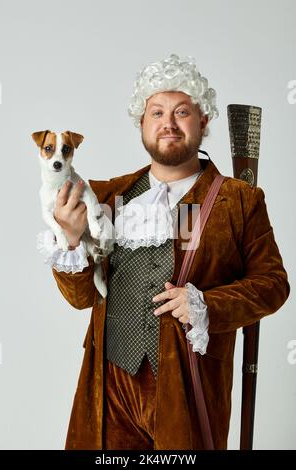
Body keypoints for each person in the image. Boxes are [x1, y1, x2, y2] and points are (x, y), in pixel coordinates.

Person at [38, 54, 290, 450]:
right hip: (108, 388)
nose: (168, 123)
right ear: (141, 123)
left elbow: (273, 285)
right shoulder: (107, 195)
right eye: (156, 112)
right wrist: (70, 240)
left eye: (182, 112)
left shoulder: (237, 200)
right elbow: (82, 298)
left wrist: (208, 303)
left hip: (188, 388)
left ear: (203, 122)